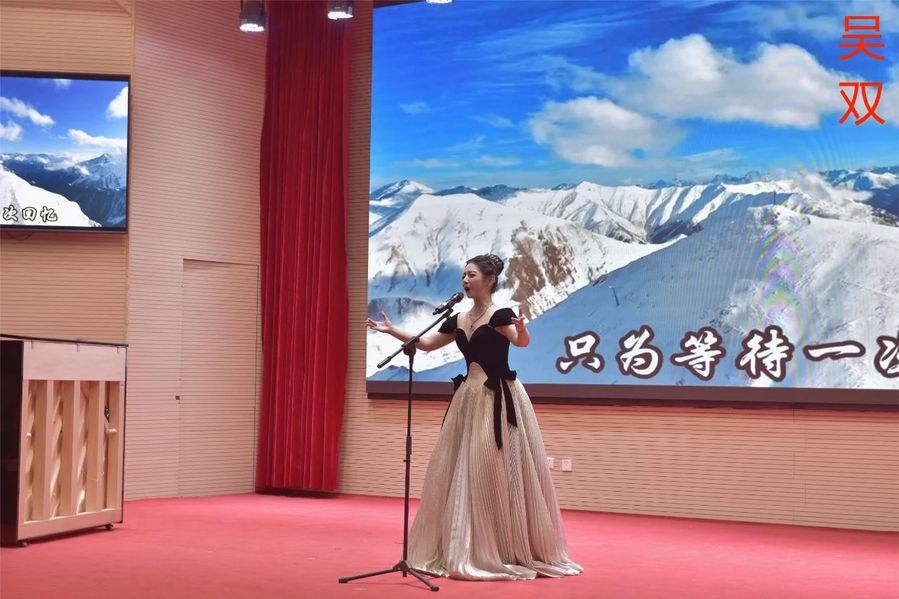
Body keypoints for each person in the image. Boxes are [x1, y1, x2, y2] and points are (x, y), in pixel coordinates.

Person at [366, 253, 583, 581]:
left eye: (472, 275)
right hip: (468, 398)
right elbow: (426, 344)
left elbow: (519, 341)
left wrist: (522, 330)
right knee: (462, 468)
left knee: (489, 466)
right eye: (464, 276)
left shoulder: (500, 315)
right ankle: (464, 543)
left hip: (497, 398)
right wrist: (392, 330)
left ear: (490, 280)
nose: (465, 281)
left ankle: (501, 546)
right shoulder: (459, 318)